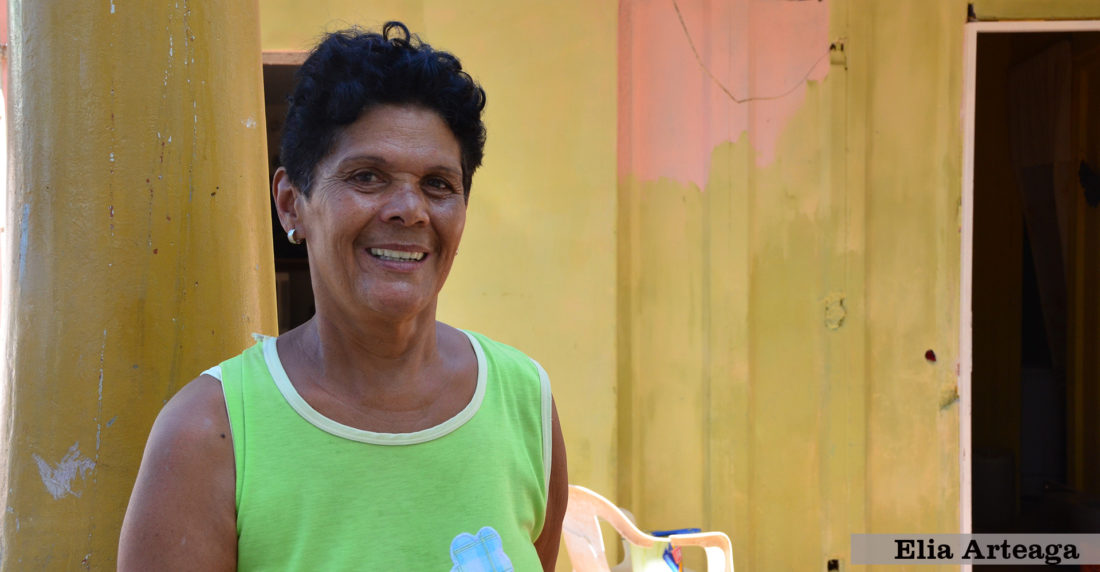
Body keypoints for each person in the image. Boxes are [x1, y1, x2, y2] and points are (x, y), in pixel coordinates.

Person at [118, 22, 568, 571]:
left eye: (438, 184)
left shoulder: (524, 403)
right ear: (291, 203)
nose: (410, 210)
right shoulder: (209, 434)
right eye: (368, 177)